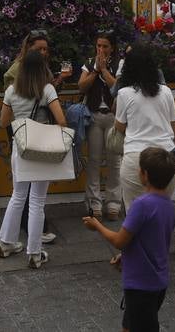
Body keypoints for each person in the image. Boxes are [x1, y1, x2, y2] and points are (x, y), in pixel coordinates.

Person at [81, 146, 175, 332]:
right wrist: (127, 257)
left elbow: (119, 240)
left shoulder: (141, 205)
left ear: (145, 174)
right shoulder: (169, 205)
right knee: (130, 325)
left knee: (143, 325)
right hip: (158, 280)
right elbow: (151, 240)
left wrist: (97, 226)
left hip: (141, 284)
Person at [0, 49, 67, 269]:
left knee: (17, 196)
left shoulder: (11, 91)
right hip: (42, 150)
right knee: (37, 201)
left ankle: (6, 243)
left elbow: (3, 122)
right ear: (42, 68)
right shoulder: (47, 90)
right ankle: (34, 253)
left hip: (21, 148)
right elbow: (62, 120)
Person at [115, 48, 175, 211]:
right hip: (165, 158)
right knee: (161, 210)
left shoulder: (124, 93)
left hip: (135, 158)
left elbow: (119, 126)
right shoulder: (166, 91)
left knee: (134, 213)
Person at [77, 33, 123, 219]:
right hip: (94, 115)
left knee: (114, 160)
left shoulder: (120, 63)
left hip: (113, 117)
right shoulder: (89, 63)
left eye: (105, 46)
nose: (101, 50)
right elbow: (81, 86)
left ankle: (113, 202)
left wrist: (104, 70)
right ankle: (94, 202)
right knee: (94, 160)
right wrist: (95, 70)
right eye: (98, 46)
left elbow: (117, 87)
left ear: (112, 47)